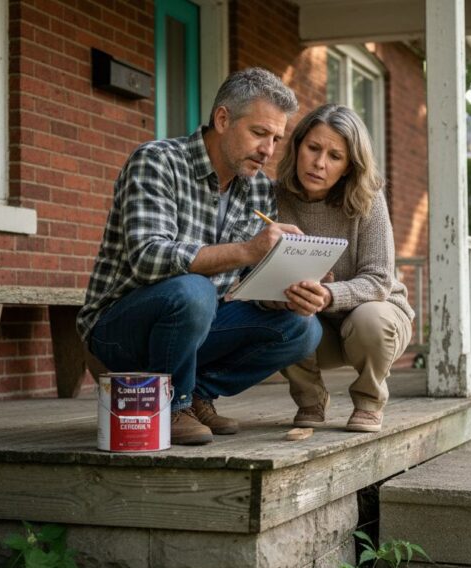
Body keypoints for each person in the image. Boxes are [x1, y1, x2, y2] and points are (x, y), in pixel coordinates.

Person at [76, 68, 323, 446]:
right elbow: (148, 258)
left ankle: (195, 395)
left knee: (302, 327)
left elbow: (245, 286)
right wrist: (248, 249)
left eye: (276, 138)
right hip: (120, 329)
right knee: (195, 291)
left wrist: (288, 292)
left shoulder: (257, 189)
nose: (268, 150)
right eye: (259, 133)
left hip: (198, 323)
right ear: (222, 119)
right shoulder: (157, 161)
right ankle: (172, 405)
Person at [274, 104, 415, 433]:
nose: (319, 163)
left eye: (335, 156)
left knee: (369, 318)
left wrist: (327, 293)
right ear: (297, 146)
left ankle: (369, 400)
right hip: (315, 328)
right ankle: (309, 398)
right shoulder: (274, 198)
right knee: (280, 313)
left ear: (350, 166)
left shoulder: (368, 197)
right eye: (313, 148)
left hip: (377, 323)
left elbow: (379, 280)